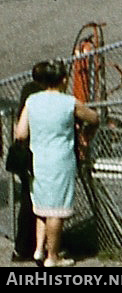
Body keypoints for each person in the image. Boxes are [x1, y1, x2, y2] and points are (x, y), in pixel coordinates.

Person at [12, 61, 98, 267]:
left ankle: (39, 250)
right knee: (57, 210)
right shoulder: (69, 102)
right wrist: (85, 135)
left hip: (38, 159)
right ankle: (53, 256)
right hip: (60, 160)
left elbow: (21, 133)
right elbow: (93, 118)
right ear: (63, 80)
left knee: (41, 206)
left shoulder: (32, 100)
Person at [7, 64, 50, 262]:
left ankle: (24, 247)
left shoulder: (27, 90)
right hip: (38, 153)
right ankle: (35, 246)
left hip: (25, 155)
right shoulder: (42, 96)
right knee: (38, 202)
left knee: (28, 198)